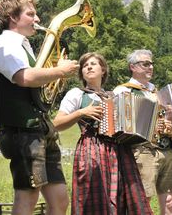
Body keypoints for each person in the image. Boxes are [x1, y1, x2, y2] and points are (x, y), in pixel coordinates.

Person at [0, 0, 79, 215]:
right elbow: (23, 77)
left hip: (40, 128)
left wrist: (54, 74)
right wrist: (59, 71)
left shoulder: (22, 46)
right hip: (22, 130)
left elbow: (38, 88)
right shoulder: (3, 44)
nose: (37, 19)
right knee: (28, 197)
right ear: (13, 17)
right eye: (31, 14)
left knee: (60, 200)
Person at [54, 52, 153, 215]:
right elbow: (56, 123)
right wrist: (81, 112)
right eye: (85, 66)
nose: (89, 67)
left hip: (119, 152)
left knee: (120, 200)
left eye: (93, 64)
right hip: (92, 151)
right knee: (93, 199)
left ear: (103, 70)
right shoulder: (77, 94)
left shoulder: (116, 96)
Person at [113, 49, 172, 215]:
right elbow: (119, 124)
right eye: (145, 64)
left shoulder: (158, 92)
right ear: (133, 67)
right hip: (142, 151)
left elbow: (166, 121)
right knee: (143, 201)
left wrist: (170, 118)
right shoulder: (123, 91)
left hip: (166, 149)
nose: (150, 67)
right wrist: (151, 127)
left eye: (151, 64)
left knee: (170, 202)